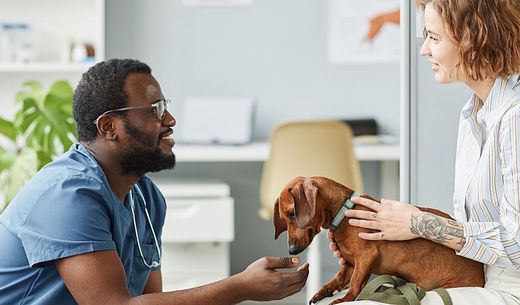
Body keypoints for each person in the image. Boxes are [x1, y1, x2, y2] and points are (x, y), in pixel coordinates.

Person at [0, 58, 309, 305]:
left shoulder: (145, 197)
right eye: (155, 110)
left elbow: (149, 299)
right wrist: (239, 287)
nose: (170, 120)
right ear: (109, 127)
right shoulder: (66, 195)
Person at [329, 0, 520, 304]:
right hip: (479, 274)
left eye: (434, 37)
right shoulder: (473, 113)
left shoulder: (514, 117)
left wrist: (417, 223)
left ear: (473, 38)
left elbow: (517, 244)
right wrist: (376, 250)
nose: (424, 50)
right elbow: (473, 232)